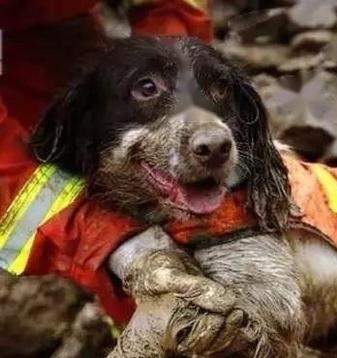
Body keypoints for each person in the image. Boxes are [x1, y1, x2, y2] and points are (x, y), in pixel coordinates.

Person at [0, 0, 237, 324]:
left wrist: (163, 81)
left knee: (125, 175)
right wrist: (110, 242)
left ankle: (160, 332)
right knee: (77, 216)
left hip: (54, 18)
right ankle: (148, 346)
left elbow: (174, 6)